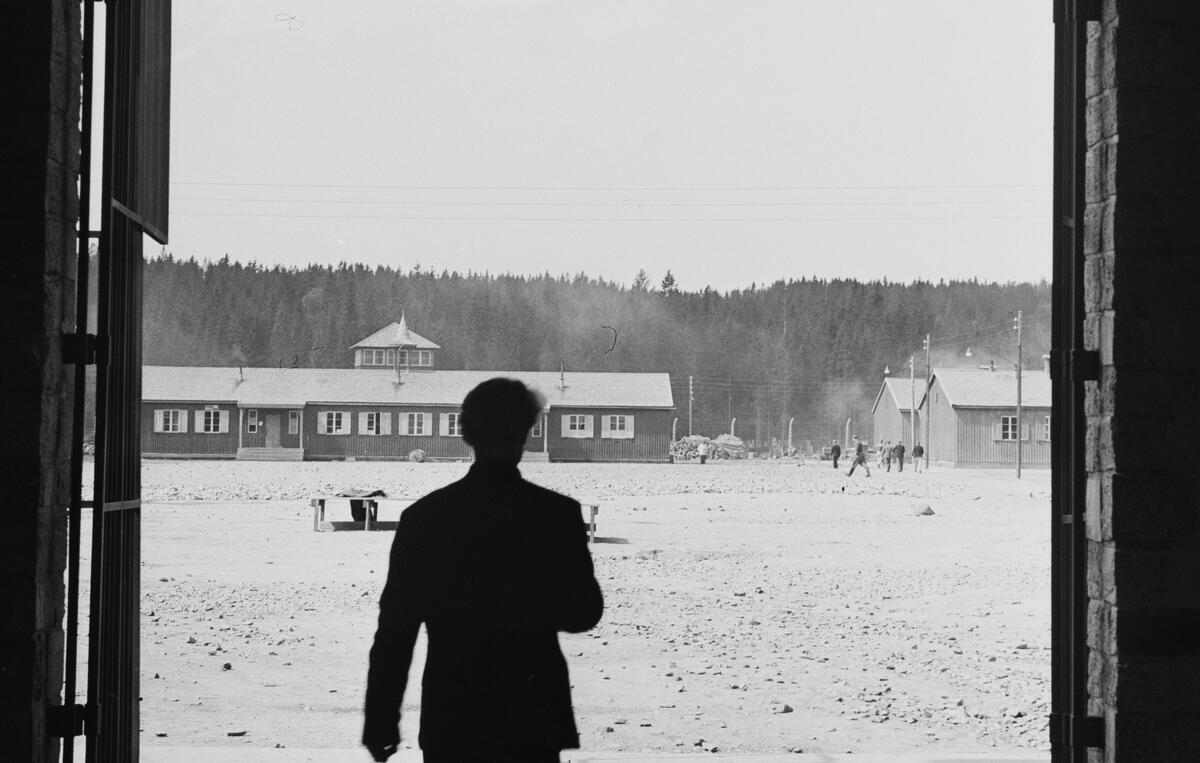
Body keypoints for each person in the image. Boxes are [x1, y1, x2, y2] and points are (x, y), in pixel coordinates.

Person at [363, 378, 604, 763]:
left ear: (466, 433)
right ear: (526, 433)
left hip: (453, 716)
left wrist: (380, 720)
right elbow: (585, 613)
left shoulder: (425, 519)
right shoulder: (556, 516)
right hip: (533, 717)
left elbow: (395, 632)